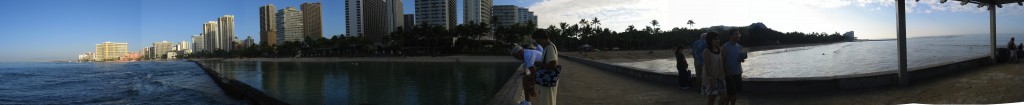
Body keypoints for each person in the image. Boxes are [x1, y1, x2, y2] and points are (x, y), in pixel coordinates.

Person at [533, 29, 560, 105]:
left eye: (537, 40)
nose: (537, 42)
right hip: (547, 79)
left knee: (547, 100)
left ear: (542, 38)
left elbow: (553, 64)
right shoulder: (547, 47)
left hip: (547, 78)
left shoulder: (550, 47)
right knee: (547, 99)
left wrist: (539, 64)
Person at [700, 32, 727, 105]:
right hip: (711, 78)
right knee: (712, 98)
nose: (717, 41)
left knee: (724, 96)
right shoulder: (707, 51)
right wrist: (710, 79)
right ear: (710, 40)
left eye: (718, 39)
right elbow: (707, 66)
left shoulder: (719, 49)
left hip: (720, 77)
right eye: (715, 39)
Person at [721, 29, 747, 105]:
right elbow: (722, 61)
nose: (738, 36)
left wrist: (742, 59)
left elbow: (740, 60)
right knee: (731, 93)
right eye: (735, 34)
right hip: (729, 74)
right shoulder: (725, 47)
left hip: (738, 72)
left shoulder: (739, 47)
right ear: (730, 35)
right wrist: (727, 71)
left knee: (734, 93)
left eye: (738, 34)